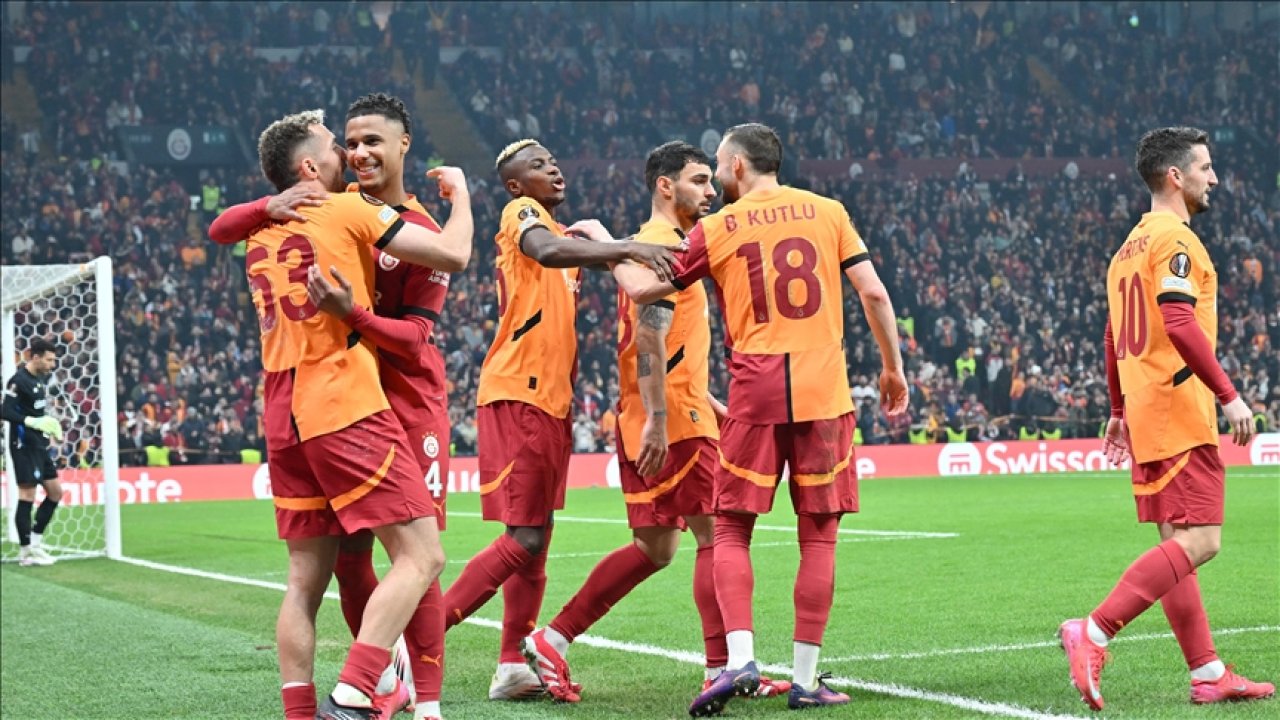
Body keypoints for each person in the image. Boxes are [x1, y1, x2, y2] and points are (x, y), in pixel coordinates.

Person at [608, 123, 908, 715]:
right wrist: (892, 369)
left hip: (755, 393)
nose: (717, 178)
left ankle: (740, 660)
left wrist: (608, 246)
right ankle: (805, 680)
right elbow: (873, 293)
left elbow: (645, 291)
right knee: (818, 535)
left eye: (719, 166)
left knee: (729, 529)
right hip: (825, 393)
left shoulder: (717, 227)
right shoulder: (829, 212)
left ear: (739, 166)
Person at [209, 93, 453, 720]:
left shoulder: (260, 227)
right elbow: (453, 255)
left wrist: (264, 204)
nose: (347, 152)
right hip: (342, 399)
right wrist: (466, 202)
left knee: (303, 580)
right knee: (422, 554)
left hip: (281, 407)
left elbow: (218, 227)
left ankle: (303, 713)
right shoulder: (347, 207)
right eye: (336, 145)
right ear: (310, 168)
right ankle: (356, 689)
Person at [520, 141, 787, 703]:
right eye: (698, 181)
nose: (710, 191)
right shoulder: (666, 248)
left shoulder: (650, 245)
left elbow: (670, 344)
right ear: (666, 185)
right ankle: (721, 667)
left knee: (655, 547)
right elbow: (649, 338)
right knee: (717, 534)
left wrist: (706, 402)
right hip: (671, 417)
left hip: (652, 410)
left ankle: (552, 639)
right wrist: (663, 420)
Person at [438, 138, 681, 701]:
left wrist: (613, 248)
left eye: (553, 161)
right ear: (515, 184)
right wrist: (629, 245)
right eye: (538, 165)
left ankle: (511, 665)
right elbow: (545, 251)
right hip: (518, 391)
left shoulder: (560, 235)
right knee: (523, 537)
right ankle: (412, 642)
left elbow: (578, 260)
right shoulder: (522, 215)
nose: (553, 168)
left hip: (550, 401)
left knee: (537, 537)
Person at [1058, 126, 1273, 711]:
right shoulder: (1175, 240)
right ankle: (1093, 631)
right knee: (1202, 540)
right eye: (1205, 167)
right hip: (1179, 407)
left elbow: (1112, 336)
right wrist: (1229, 395)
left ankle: (1208, 673)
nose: (1214, 178)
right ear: (1175, 176)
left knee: (1177, 546)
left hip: (1147, 410)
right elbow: (1178, 321)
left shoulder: (1126, 250)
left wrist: (1118, 409)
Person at [2, 337, 64, 567]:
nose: (52, 365)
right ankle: (26, 552)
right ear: (35, 357)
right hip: (23, 445)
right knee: (27, 495)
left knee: (56, 492)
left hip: (39, 444)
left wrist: (49, 423)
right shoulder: (18, 381)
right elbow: (5, 411)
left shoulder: (38, 379)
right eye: (49, 360)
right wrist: (31, 421)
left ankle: (36, 543)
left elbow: (35, 412)